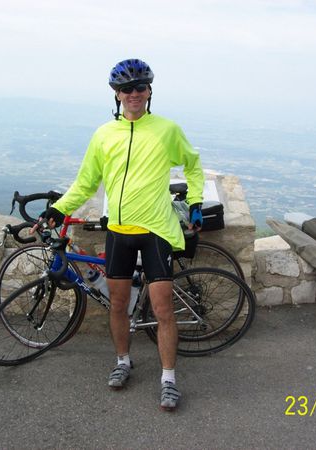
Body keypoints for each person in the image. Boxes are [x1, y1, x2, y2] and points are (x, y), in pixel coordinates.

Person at [37, 58, 205, 411]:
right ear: (116, 94)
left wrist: (195, 202)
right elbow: (85, 183)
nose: (133, 94)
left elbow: (192, 164)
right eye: (126, 88)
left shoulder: (166, 130)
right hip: (118, 230)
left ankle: (169, 378)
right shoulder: (103, 135)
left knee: (163, 310)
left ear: (149, 91)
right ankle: (123, 361)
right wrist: (58, 210)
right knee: (116, 304)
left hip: (156, 230)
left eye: (140, 87)